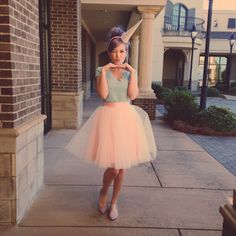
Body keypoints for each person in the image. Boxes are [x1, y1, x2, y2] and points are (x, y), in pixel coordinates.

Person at [66, 20, 157, 221]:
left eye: (122, 52)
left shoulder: (129, 72)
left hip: (126, 117)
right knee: (113, 167)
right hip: (109, 117)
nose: (118, 55)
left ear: (126, 53)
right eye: (115, 51)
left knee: (122, 166)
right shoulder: (101, 71)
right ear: (109, 53)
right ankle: (104, 191)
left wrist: (133, 73)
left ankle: (114, 202)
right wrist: (105, 71)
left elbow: (132, 95)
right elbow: (104, 95)